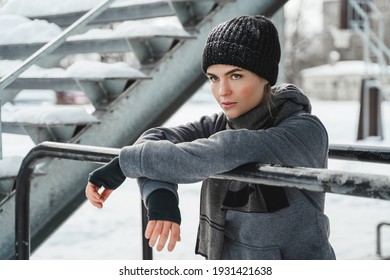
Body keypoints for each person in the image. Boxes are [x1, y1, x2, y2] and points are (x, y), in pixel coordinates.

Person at [85, 15, 336, 260]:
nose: (222, 91)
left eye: (236, 76)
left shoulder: (304, 129)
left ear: (265, 78)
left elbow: (228, 148)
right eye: (214, 78)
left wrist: (124, 163)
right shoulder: (223, 123)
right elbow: (154, 138)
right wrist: (160, 193)